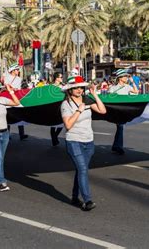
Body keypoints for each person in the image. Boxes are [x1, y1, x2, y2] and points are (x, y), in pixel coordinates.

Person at [61, 75, 106, 211]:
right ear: (70, 90)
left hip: (88, 141)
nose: (79, 90)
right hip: (74, 141)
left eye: (81, 87)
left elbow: (103, 111)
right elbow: (68, 125)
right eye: (76, 88)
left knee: (82, 170)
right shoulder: (66, 104)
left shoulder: (87, 100)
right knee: (82, 170)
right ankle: (88, 200)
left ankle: (75, 197)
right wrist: (79, 110)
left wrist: (95, 95)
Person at [108, 69, 139, 155]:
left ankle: (115, 146)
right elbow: (109, 99)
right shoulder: (112, 88)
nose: (126, 78)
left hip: (124, 111)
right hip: (116, 111)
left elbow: (136, 92)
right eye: (125, 76)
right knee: (120, 127)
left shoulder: (128, 87)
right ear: (120, 78)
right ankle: (119, 147)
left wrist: (133, 82)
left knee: (120, 128)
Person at [3, 63, 28, 140]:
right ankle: (7, 134)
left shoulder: (19, 79)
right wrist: (12, 89)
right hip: (8, 99)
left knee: (20, 115)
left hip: (17, 99)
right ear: (13, 70)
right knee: (7, 117)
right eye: (17, 69)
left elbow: (22, 88)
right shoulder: (6, 77)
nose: (18, 71)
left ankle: (22, 134)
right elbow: (5, 87)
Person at [50, 72, 64, 146]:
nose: (62, 78)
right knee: (53, 124)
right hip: (53, 107)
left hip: (61, 107)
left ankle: (55, 136)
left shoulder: (62, 87)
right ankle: (54, 140)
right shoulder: (51, 87)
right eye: (61, 77)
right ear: (57, 78)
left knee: (61, 123)